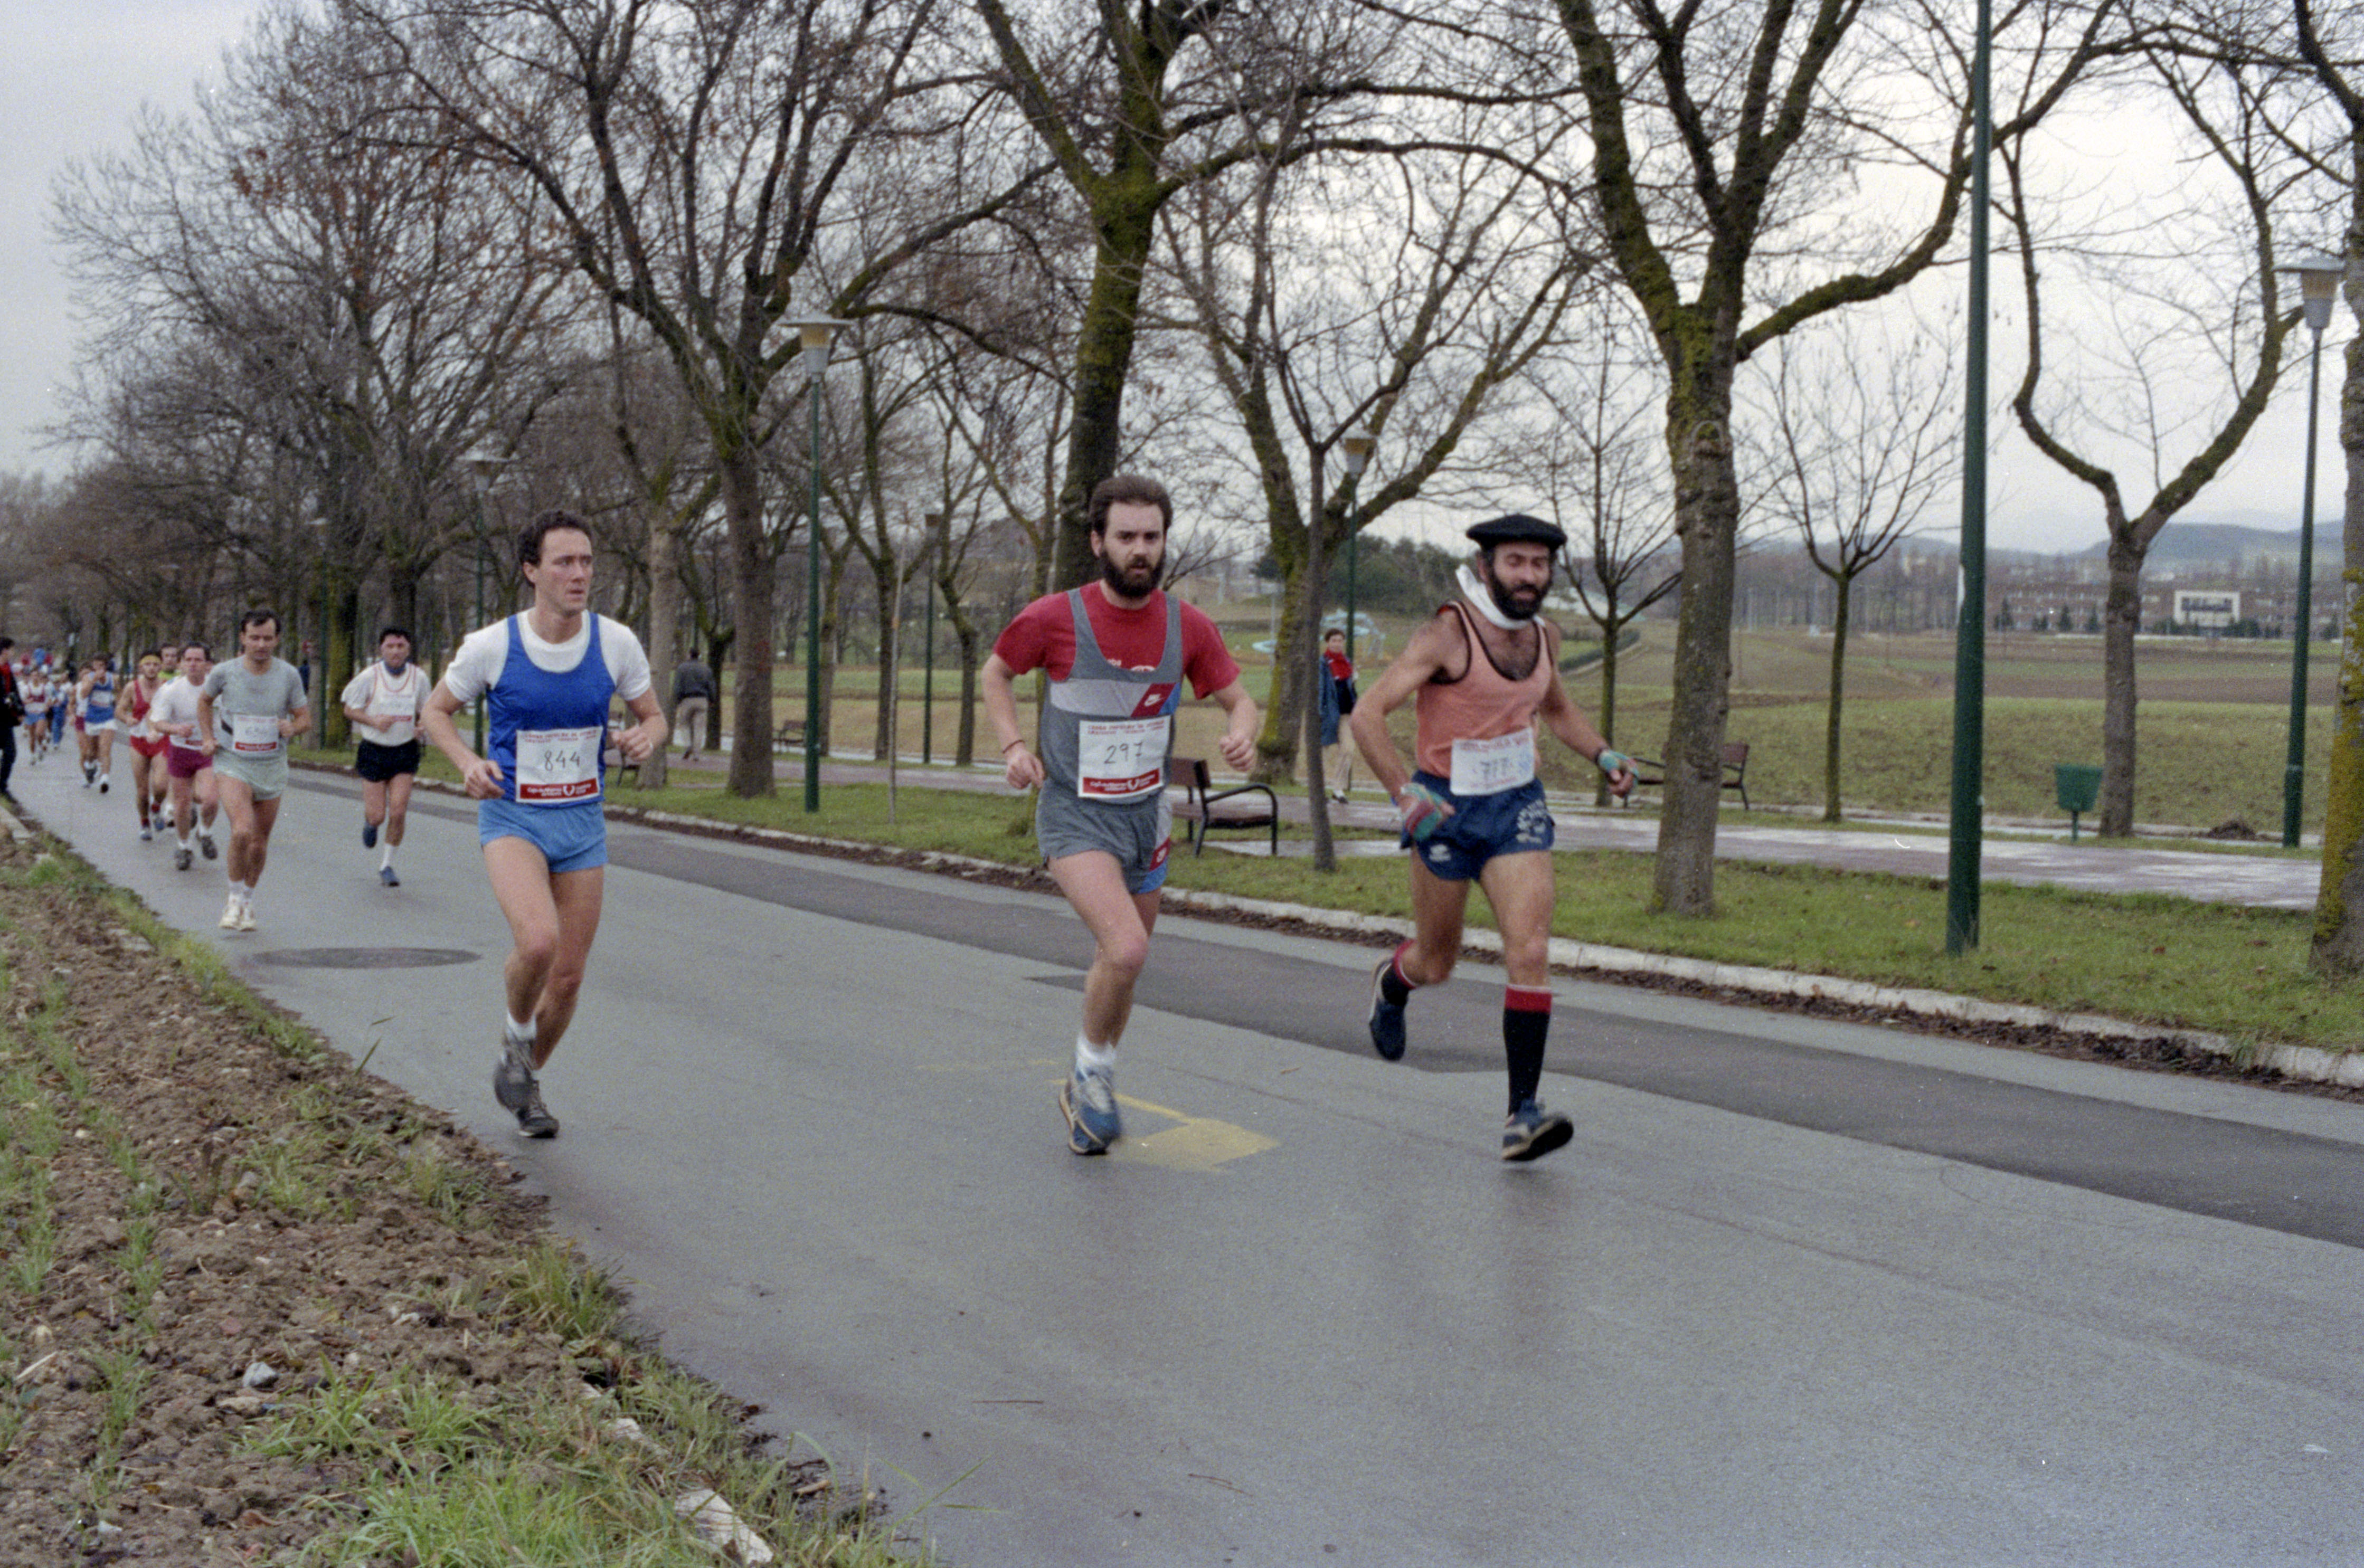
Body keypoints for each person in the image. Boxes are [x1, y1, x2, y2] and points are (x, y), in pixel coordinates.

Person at [981, 474, 1260, 1156]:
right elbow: (996, 672)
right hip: (1075, 814)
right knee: (1128, 946)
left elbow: (1239, 698)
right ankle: (1090, 1074)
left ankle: (1093, 1079)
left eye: (1151, 537)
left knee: (1123, 961)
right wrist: (1013, 746)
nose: (1140, 550)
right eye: (1126, 536)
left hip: (1146, 817)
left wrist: (1242, 732)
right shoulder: (1054, 617)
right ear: (1097, 541)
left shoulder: (1187, 625)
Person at [1349, 513, 1635, 1162]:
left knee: (1529, 948)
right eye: (1515, 563)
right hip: (1444, 811)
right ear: (1486, 567)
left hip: (1516, 807)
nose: (1528, 576)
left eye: (1539, 564)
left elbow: (1555, 709)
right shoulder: (1447, 634)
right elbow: (1367, 713)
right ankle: (1393, 983)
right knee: (1437, 962)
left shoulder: (1544, 637)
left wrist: (1602, 754)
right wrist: (1403, 792)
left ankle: (1520, 1115)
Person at [419, 509, 664, 1139]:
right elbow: (436, 711)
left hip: (581, 820)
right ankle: (516, 1033)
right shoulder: (492, 645)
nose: (579, 574)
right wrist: (468, 763)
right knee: (537, 942)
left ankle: (525, 1080)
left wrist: (646, 737)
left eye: (586, 561)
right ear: (532, 571)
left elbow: (654, 716)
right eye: (564, 562)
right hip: (514, 816)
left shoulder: (615, 642)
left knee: (569, 976)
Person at [197, 612, 311, 932]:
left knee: (259, 844)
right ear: (243, 638)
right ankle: (233, 899)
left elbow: (304, 718)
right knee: (242, 831)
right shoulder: (224, 672)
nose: (261, 644)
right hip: (233, 761)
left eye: (268, 638)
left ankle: (248, 900)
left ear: (277, 640)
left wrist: (292, 728)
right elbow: (204, 703)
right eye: (255, 638)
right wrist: (207, 737)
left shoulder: (288, 675)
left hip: (271, 764)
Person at [342, 626, 430, 887]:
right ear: (381, 648)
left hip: (404, 750)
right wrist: (373, 721)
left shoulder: (419, 677)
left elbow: (428, 710)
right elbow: (349, 709)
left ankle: (387, 865)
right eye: (390, 646)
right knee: (378, 815)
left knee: (399, 811)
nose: (395, 651)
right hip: (374, 750)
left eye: (401, 646)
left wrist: (421, 727)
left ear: (408, 649)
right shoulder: (370, 676)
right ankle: (371, 823)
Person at [150, 643, 221, 871]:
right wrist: (175, 729)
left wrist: (220, 739)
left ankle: (204, 832)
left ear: (207, 664)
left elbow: (230, 718)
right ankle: (183, 846)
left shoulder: (218, 689)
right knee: (182, 804)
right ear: (181, 663)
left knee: (210, 799)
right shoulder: (171, 689)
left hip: (208, 750)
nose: (193, 664)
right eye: (188, 660)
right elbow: (157, 722)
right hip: (181, 750)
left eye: (198, 660)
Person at [120, 649, 171, 840]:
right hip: (138, 741)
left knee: (161, 786)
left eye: (156, 665)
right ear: (141, 667)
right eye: (148, 665)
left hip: (160, 740)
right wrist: (127, 718)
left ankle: (156, 807)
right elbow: (120, 709)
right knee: (142, 791)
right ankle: (144, 823)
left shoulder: (167, 687)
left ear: (161, 667)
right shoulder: (132, 687)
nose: (152, 668)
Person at [1315, 625, 1358, 802]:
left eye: (1340, 640)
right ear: (1328, 642)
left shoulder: (1347, 662)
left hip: (1346, 713)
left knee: (1348, 749)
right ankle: (1319, 790)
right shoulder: (1322, 663)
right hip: (1328, 712)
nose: (1337, 643)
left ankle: (1338, 789)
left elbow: (1349, 688)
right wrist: (1319, 712)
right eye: (1334, 640)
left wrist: (1353, 680)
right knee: (1323, 752)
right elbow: (1320, 689)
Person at [78, 657, 117, 792]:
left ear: (106, 667)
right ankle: (90, 765)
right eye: (96, 666)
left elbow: (121, 693)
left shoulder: (113, 678)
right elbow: (83, 694)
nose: (99, 669)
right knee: (92, 752)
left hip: (108, 718)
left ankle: (105, 778)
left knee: (105, 749)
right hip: (92, 719)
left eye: (101, 666)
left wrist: (117, 704)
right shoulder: (88, 678)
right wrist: (93, 680)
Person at [671, 652, 715, 762]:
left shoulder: (682, 668)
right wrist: (712, 700)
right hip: (702, 700)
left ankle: (688, 745)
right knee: (699, 728)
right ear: (699, 656)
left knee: (684, 723)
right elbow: (711, 686)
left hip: (687, 699)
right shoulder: (706, 669)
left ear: (689, 655)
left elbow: (677, 686)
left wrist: (678, 700)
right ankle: (697, 754)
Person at [0, 639, 21, 803]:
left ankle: (2, 787)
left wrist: (20, 711)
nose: (13, 653)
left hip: (5, 719)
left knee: (11, 753)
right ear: (5, 650)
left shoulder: (8, 670)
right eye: (12, 650)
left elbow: (14, 691)